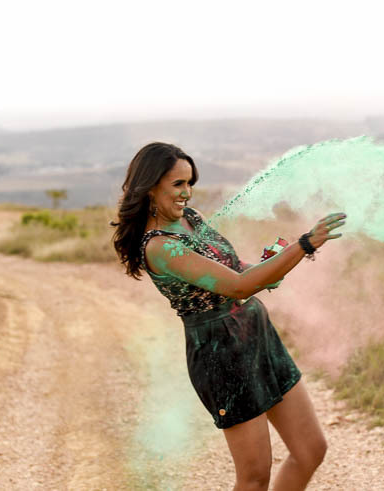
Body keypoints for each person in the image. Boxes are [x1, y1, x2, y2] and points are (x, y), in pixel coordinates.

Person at [111, 142, 346, 491]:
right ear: (150, 187)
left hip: (258, 335)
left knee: (311, 450)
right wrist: (304, 245)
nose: (187, 193)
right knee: (254, 479)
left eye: (190, 183)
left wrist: (273, 265)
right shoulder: (159, 247)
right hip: (222, 354)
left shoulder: (191, 219)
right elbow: (238, 286)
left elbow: (237, 271)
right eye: (178, 184)